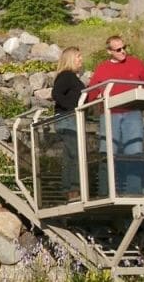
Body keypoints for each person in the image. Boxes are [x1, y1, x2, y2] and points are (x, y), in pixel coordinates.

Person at [86, 35, 144, 197]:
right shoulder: (102, 68)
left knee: (135, 153)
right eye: (118, 49)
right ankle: (106, 192)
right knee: (107, 154)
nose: (123, 51)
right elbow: (92, 93)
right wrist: (98, 102)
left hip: (132, 114)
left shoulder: (136, 63)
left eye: (124, 47)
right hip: (110, 115)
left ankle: (134, 193)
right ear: (109, 51)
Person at [51, 47, 85, 202]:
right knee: (74, 154)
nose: (81, 59)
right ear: (71, 58)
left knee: (70, 155)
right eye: (78, 56)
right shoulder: (67, 76)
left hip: (70, 119)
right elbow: (56, 94)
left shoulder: (72, 78)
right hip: (68, 119)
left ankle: (70, 189)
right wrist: (72, 109)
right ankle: (73, 189)